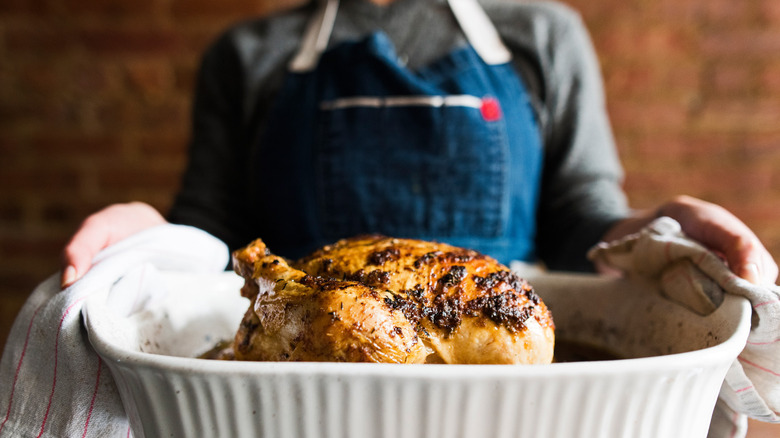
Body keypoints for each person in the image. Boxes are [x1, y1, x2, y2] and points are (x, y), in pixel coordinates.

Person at [61, 0, 778, 289]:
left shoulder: (542, 34)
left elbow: (577, 221)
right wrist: (151, 235)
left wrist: (661, 230)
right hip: (304, 393)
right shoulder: (248, 55)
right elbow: (212, 237)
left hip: (510, 399)